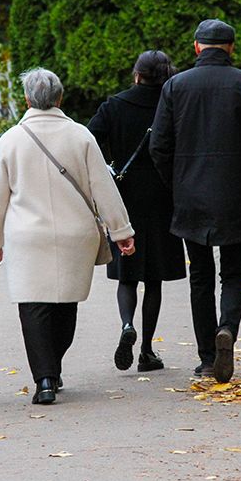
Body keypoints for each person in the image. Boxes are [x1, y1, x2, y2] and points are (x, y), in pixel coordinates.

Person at [149, 19, 241, 384]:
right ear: (231, 48)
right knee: (234, 273)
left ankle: (207, 358)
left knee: (200, 276)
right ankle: (227, 327)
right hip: (236, 194)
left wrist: (175, 184)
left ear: (197, 47)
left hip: (190, 196)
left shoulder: (174, 86)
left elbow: (159, 146)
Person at [0, 68, 135, 405]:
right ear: (60, 97)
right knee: (65, 304)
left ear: (26, 99)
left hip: (27, 237)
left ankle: (45, 379)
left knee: (32, 307)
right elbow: (103, 188)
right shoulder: (81, 136)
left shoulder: (11, 140)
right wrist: (121, 231)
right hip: (75, 235)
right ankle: (54, 365)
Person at [87, 51, 185, 373]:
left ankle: (127, 324)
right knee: (153, 277)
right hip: (163, 196)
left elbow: (88, 141)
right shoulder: (173, 102)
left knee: (127, 273)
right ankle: (146, 351)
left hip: (124, 195)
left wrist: (107, 170)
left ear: (137, 74)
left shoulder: (114, 105)